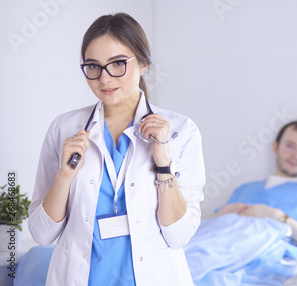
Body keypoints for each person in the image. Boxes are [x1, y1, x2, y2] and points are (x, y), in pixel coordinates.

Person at [28, 13, 205, 285]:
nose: (104, 78)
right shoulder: (64, 128)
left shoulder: (181, 131)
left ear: (143, 63)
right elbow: (41, 234)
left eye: (118, 64)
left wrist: (163, 162)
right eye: (93, 66)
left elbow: (178, 235)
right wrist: (64, 176)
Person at [215, 121, 297, 253]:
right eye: (290, 146)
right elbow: (208, 229)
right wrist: (221, 214)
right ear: (275, 147)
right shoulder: (244, 189)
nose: (296, 155)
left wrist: (278, 217)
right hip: (215, 248)